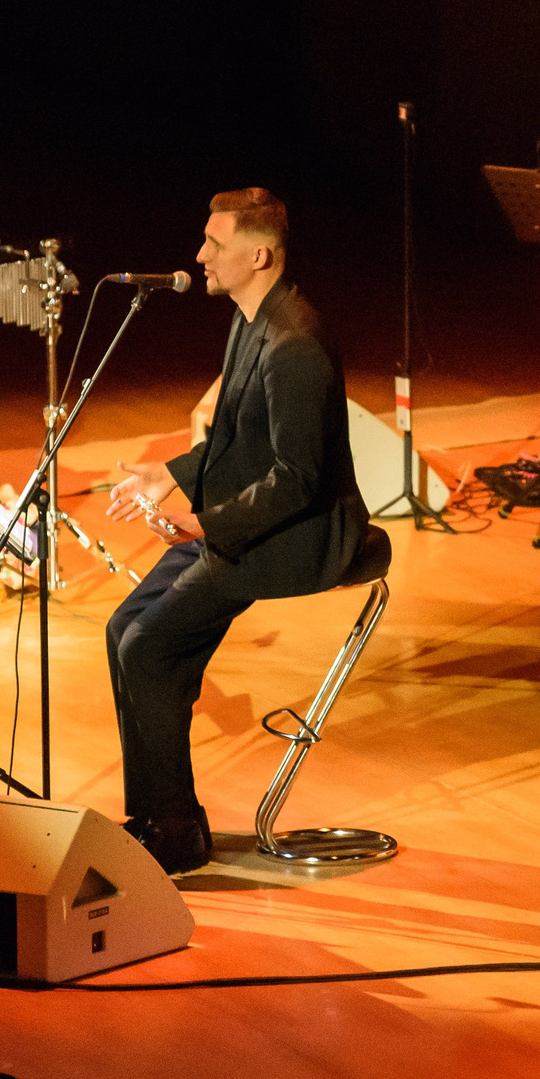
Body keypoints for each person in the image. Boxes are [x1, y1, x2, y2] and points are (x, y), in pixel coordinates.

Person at [105, 189, 367, 874]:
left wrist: (202, 521)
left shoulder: (295, 343)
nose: (199, 255)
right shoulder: (251, 321)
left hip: (304, 535)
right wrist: (166, 474)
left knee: (150, 648)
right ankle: (163, 815)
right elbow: (231, 438)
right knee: (125, 631)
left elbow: (296, 480)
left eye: (213, 244)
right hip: (251, 518)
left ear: (259, 254)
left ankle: (175, 833)